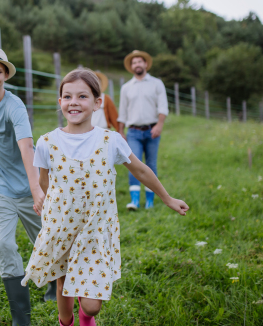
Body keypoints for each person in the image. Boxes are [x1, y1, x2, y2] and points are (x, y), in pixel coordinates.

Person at [22, 68, 189, 326]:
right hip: (61, 224)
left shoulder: (111, 140)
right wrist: (43, 200)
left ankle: (85, 317)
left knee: (91, 305)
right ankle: (64, 320)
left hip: (96, 228)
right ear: (60, 102)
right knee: (63, 281)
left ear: (98, 103)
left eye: (82, 96)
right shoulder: (47, 142)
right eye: (67, 97)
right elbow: (45, 181)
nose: (74, 102)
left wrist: (167, 198)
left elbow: (141, 170)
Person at [0, 47, 56, 326]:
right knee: (4, 244)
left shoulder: (14, 106)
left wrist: (36, 189)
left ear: (5, 75)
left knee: (46, 240)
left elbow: (26, 145)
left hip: (29, 187)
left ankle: (54, 282)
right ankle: (21, 318)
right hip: (0, 188)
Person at [117, 50, 169, 211]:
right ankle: (134, 201)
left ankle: (150, 201)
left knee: (151, 164)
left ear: (145, 64)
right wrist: (121, 131)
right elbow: (123, 112)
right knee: (134, 164)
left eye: (140, 61)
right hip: (133, 131)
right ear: (131, 67)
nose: (137, 64)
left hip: (152, 130)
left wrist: (159, 125)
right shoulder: (126, 88)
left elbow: (163, 107)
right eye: (134, 62)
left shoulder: (156, 83)